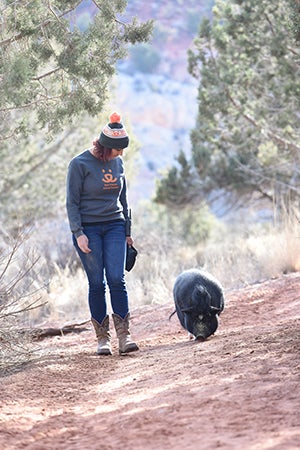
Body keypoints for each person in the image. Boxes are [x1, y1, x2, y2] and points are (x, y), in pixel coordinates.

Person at [66, 112, 139, 356]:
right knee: (97, 283)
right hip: (89, 229)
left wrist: (127, 231)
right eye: (119, 149)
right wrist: (78, 233)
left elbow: (124, 198)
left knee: (117, 279)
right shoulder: (79, 164)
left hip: (115, 226)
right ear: (107, 147)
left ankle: (125, 336)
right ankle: (102, 339)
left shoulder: (118, 163)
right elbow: (72, 203)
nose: (122, 154)